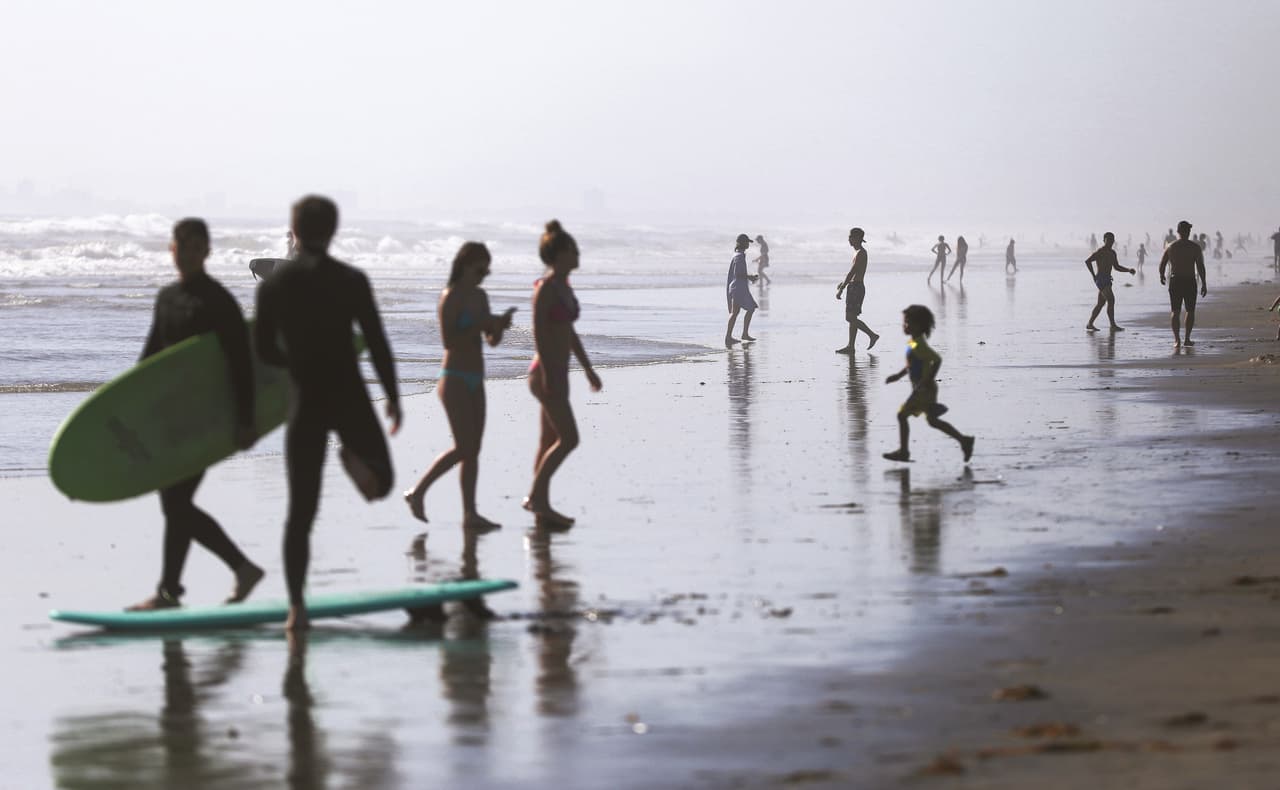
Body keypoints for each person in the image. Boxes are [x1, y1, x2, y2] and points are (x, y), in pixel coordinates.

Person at [254, 195, 402, 631]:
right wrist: (392, 395)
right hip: (348, 391)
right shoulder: (352, 279)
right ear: (334, 230)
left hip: (307, 398)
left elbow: (262, 349)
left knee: (300, 512)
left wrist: (294, 364)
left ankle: (296, 607)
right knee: (384, 483)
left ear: (293, 229)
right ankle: (353, 458)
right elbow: (375, 340)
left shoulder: (275, 285)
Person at [127, 218, 264, 611]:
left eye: (195, 247)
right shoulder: (167, 298)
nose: (187, 254)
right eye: (181, 246)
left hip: (207, 418)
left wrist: (245, 419)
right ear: (172, 249)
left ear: (207, 251)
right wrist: (128, 406)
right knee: (175, 503)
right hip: (170, 417)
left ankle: (237, 568)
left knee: (175, 503)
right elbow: (150, 358)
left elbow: (241, 363)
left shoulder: (218, 301)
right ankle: (171, 590)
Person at [404, 243, 515, 532]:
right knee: (464, 447)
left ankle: (470, 513)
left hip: (476, 377)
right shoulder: (450, 297)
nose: (484, 275)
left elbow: (491, 341)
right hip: (453, 377)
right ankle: (418, 492)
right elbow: (449, 341)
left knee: (473, 450)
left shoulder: (480, 296)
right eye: (480, 269)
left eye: (487, 270)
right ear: (465, 265)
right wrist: (481, 322)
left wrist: (498, 326)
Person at [525, 220, 603, 528]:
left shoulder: (563, 287)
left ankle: (541, 508)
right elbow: (539, 331)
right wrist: (548, 373)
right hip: (545, 372)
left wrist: (588, 370)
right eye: (573, 250)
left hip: (560, 371)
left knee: (548, 440)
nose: (578, 254)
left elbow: (568, 332)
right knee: (569, 439)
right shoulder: (544, 288)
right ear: (558, 255)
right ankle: (535, 497)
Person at [882, 305, 974, 463]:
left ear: (918, 325)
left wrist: (927, 380)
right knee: (933, 421)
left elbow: (937, 359)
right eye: (904, 322)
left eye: (908, 323)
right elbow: (912, 364)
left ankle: (904, 452)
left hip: (924, 390)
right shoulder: (913, 343)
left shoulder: (919, 344)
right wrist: (898, 375)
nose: (904, 326)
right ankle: (964, 440)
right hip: (923, 389)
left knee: (902, 415)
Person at [1158, 219, 1208, 349]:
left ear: (1178, 232)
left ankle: (1177, 340)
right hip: (1189, 280)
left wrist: (1162, 275)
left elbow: (1162, 263)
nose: (1189, 231)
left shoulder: (1171, 246)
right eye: (1188, 230)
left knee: (1175, 311)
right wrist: (1203, 283)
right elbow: (1200, 266)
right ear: (1186, 231)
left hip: (1176, 281)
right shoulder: (1194, 247)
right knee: (1190, 311)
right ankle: (1186, 339)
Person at [835, 227, 881, 353]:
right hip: (854, 286)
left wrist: (842, 288)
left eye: (851, 237)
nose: (849, 239)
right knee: (852, 317)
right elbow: (853, 274)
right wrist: (844, 283)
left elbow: (853, 271)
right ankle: (851, 346)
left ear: (858, 239)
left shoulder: (861, 252)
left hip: (857, 288)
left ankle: (872, 335)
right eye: (849, 236)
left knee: (849, 317)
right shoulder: (856, 252)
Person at [1085, 231, 1136, 332]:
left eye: (1112, 240)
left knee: (1100, 303)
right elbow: (1088, 261)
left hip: (1107, 279)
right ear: (1104, 240)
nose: (1110, 242)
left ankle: (1090, 324)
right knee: (1111, 300)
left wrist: (1128, 270)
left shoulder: (1113, 253)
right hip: (1100, 279)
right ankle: (1112, 325)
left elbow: (1116, 267)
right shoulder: (1100, 251)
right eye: (1108, 240)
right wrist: (1093, 275)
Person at [725, 233, 759, 346]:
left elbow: (736, 274)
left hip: (737, 287)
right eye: (747, 242)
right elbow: (738, 274)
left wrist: (749, 277)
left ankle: (734, 336)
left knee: (737, 312)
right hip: (738, 288)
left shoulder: (737, 255)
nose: (748, 244)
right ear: (743, 243)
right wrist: (750, 277)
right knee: (747, 309)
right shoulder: (739, 257)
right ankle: (733, 336)